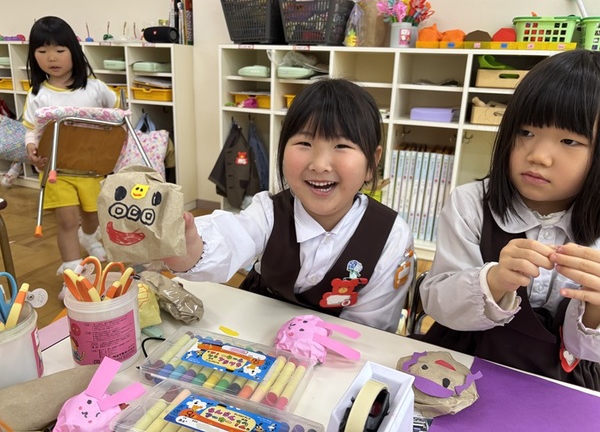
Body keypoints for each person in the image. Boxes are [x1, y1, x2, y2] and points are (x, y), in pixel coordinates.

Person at [165, 78, 414, 332]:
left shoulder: (391, 236)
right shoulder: (268, 211)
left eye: (342, 146)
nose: (319, 165)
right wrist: (191, 250)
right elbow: (231, 237)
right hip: (255, 330)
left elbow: (370, 331)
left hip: (338, 347)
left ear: (372, 161)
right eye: (304, 144)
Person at [419, 49, 600, 389]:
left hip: (563, 381)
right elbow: (437, 302)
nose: (538, 156)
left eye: (569, 140)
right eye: (526, 132)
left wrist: (595, 309)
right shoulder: (471, 203)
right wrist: (494, 280)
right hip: (462, 362)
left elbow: (588, 350)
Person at [23, 16, 118, 286]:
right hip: (56, 168)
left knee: (92, 216)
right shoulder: (38, 95)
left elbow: (118, 114)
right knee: (66, 221)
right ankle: (73, 275)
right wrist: (31, 147)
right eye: (42, 51)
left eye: (59, 50)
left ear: (74, 51)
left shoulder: (95, 88)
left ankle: (88, 237)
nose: (51, 58)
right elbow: (30, 129)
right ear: (33, 56)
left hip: (91, 168)